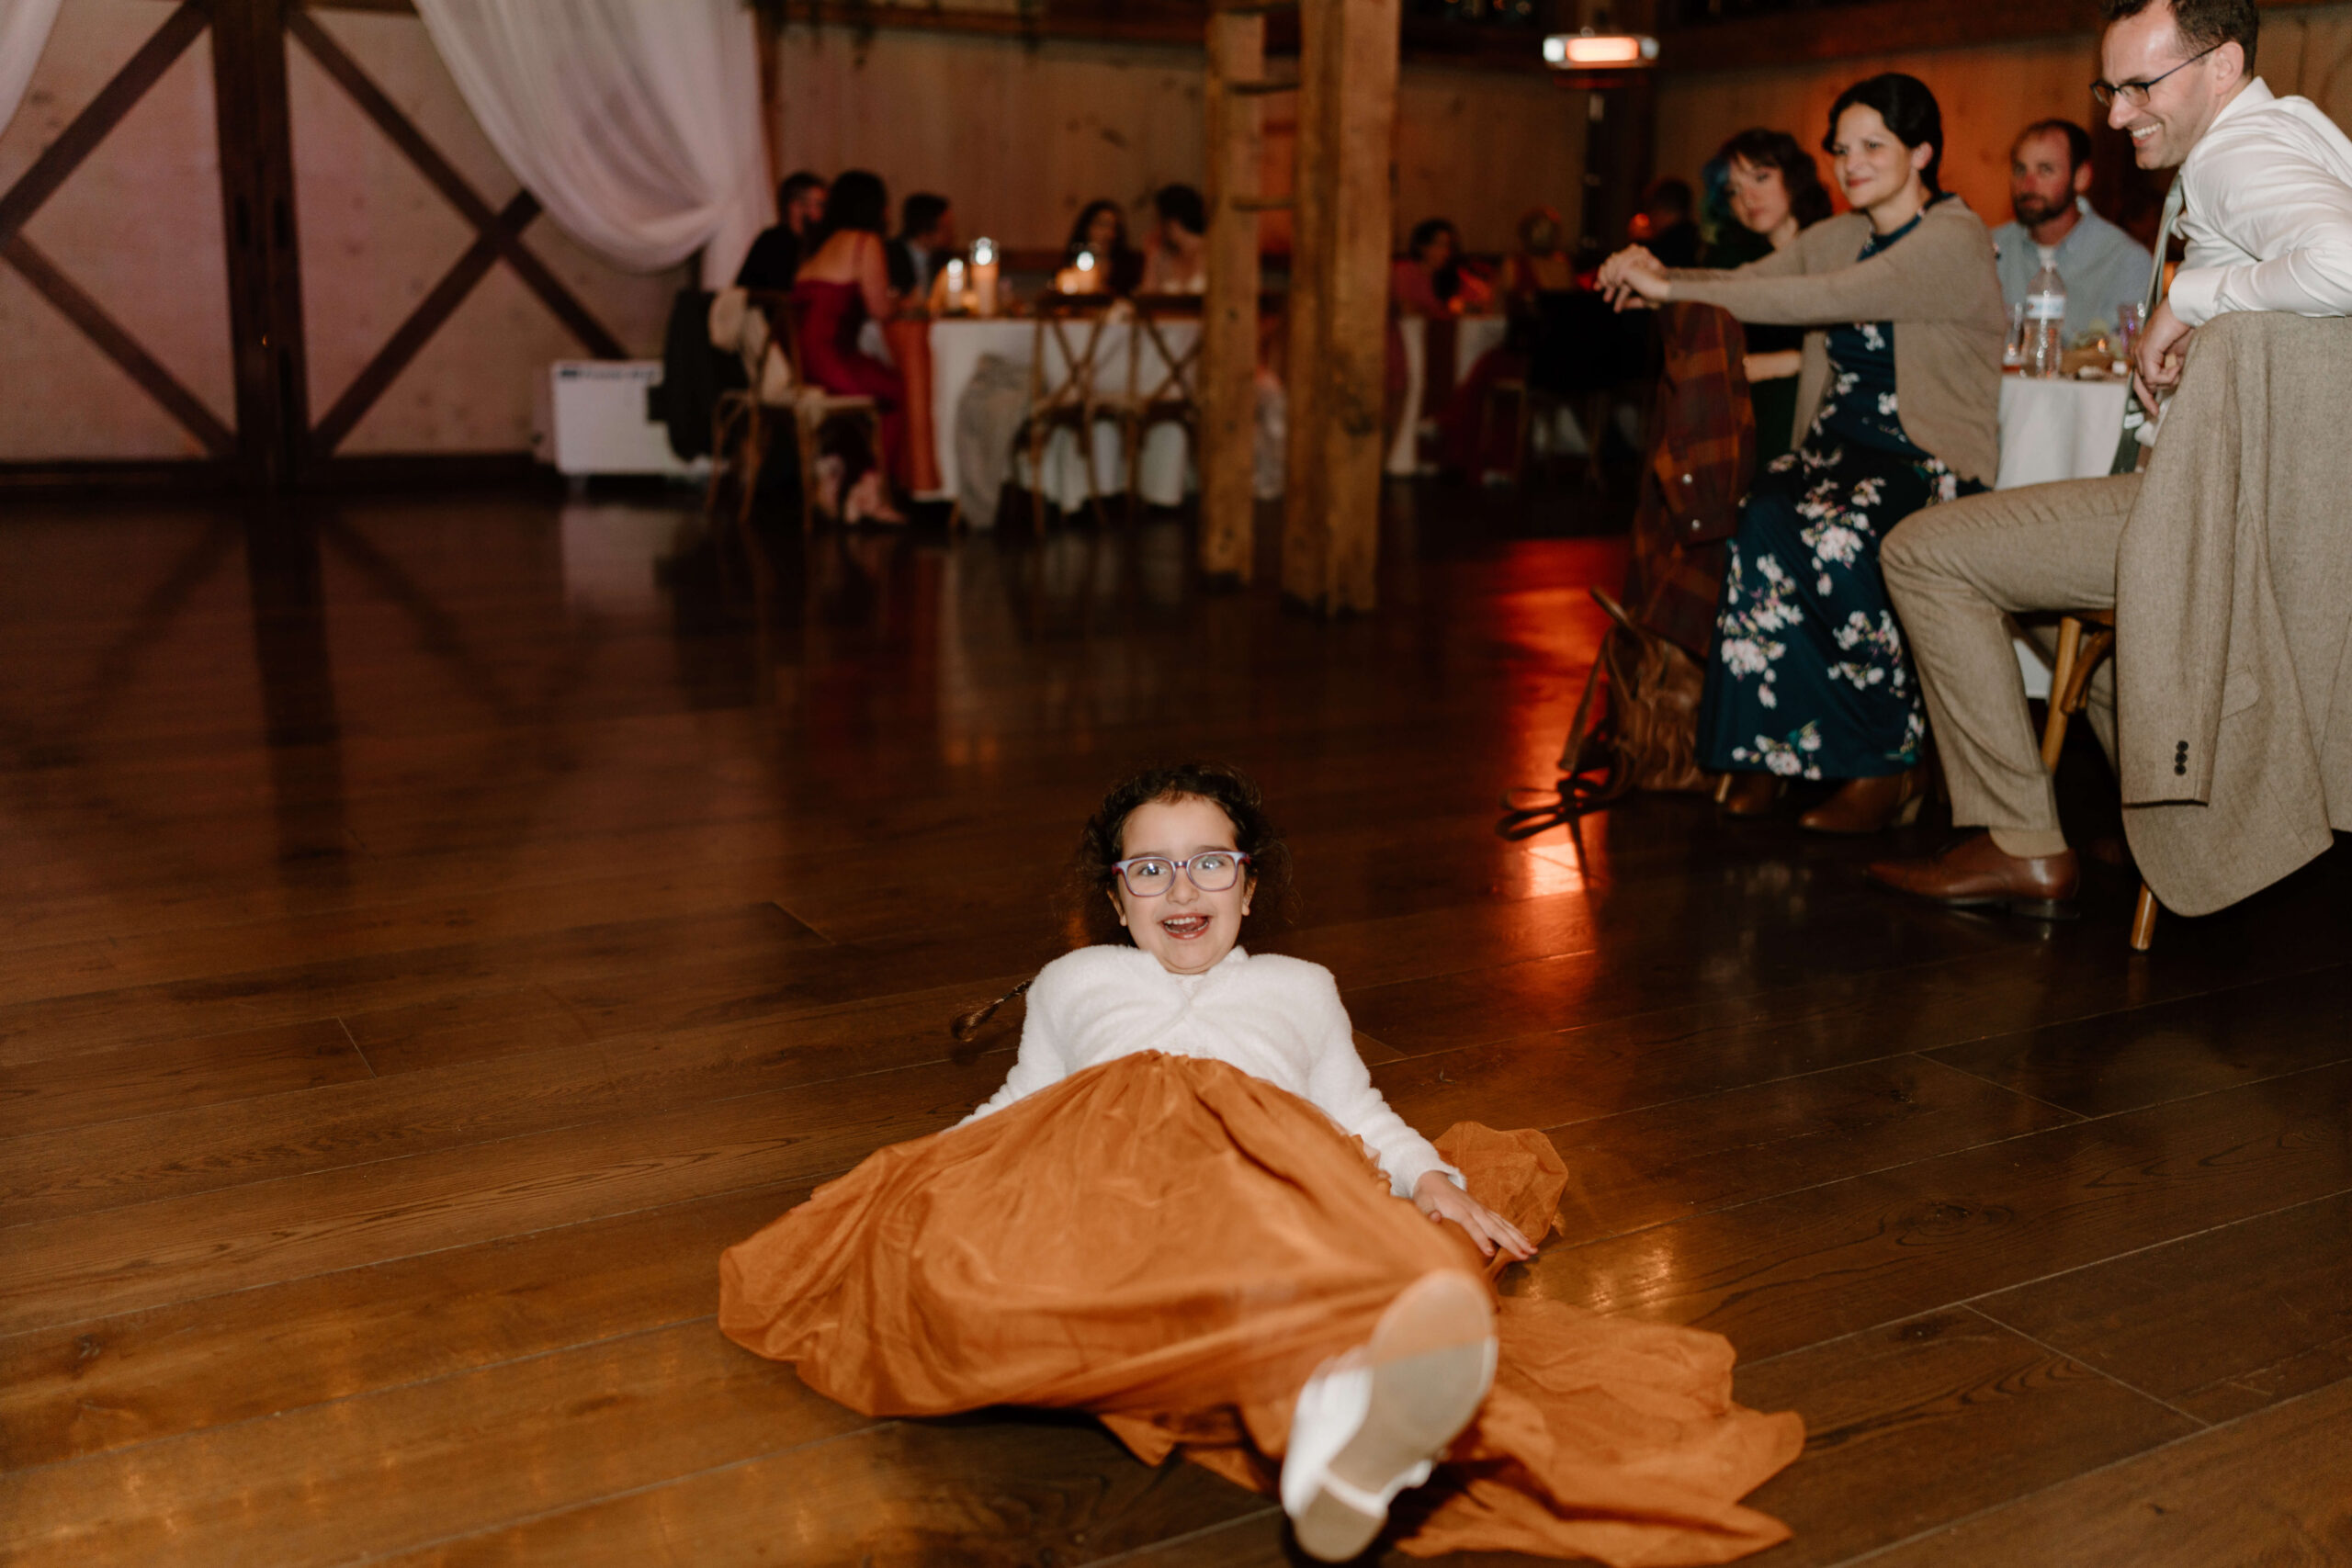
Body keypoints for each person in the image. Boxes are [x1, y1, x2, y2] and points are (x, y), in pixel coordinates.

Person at [717, 762, 1804, 1564]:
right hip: (1098, 1171)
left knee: (1372, 1259)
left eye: (1208, 863)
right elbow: (1020, 1105)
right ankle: (1323, 1398)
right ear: (1115, 899)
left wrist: (1429, 1179)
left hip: (1267, 1165)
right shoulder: (1073, 980)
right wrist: (920, 1173)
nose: (1179, 886)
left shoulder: (1300, 989)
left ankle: (1340, 1417)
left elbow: (1355, 1109)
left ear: (1247, 888)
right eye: (1149, 869)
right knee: (968, 1271)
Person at [1871, 0, 2352, 918]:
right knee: (2049, 578)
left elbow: (2345, 258)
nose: (2120, 113)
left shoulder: (2236, 157)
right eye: (2110, 89)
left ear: (2222, 66)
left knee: (1923, 552)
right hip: (2265, 515)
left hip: (2204, 519)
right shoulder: (2299, 137)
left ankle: (2019, 841)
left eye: (2140, 86)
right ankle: (2165, 807)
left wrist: (2192, 296)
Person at [1599, 74, 2006, 834]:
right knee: (1758, 518)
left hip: (1923, 459)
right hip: (1837, 451)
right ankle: (1770, 753)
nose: (1852, 164)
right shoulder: (1844, 232)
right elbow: (1748, 282)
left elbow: (1821, 300)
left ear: (1922, 152)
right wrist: (1657, 280)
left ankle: (1889, 761)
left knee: (1839, 537)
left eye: (1873, 146)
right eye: (1842, 150)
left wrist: (1664, 286)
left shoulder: (1955, 237)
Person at [1713, 128, 1838, 462]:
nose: (1747, 197)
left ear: (1793, 177)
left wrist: (1786, 362)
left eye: (1760, 177)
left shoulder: (1836, 249)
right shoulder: (1734, 261)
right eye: (1734, 190)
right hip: (1753, 413)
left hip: (1826, 406)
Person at [791, 169, 909, 525]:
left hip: (800, 361)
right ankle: (868, 490)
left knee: (867, 390)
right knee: (894, 393)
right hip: (830, 357)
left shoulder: (819, 246)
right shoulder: (863, 242)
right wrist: (903, 302)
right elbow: (879, 309)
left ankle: (833, 477)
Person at [1990, 119, 2154, 344]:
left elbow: (2126, 353)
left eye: (2045, 170)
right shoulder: (1991, 247)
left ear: (2081, 177)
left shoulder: (2126, 260)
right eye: (2020, 170)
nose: (2027, 184)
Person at [736, 170, 826, 290]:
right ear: (795, 206)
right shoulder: (770, 241)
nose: (822, 212)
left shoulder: (823, 240)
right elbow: (746, 287)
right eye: (819, 205)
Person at [886, 191, 955, 305]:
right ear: (924, 230)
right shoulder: (889, 256)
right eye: (945, 228)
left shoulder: (944, 259)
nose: (951, 234)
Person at [1066, 198, 1145, 295]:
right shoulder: (1073, 263)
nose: (1108, 233)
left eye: (1113, 227)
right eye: (1102, 225)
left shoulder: (1126, 267)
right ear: (1086, 227)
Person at [1141, 183, 1208, 294]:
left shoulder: (1210, 252)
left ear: (1171, 221)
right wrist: (1150, 259)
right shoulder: (1163, 256)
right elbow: (1148, 297)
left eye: (1157, 219)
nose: (1156, 227)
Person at [1630, 177, 1703, 268]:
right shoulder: (1696, 237)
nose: (1649, 218)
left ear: (1660, 209)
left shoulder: (1660, 249)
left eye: (1650, 209)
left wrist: (1639, 243)